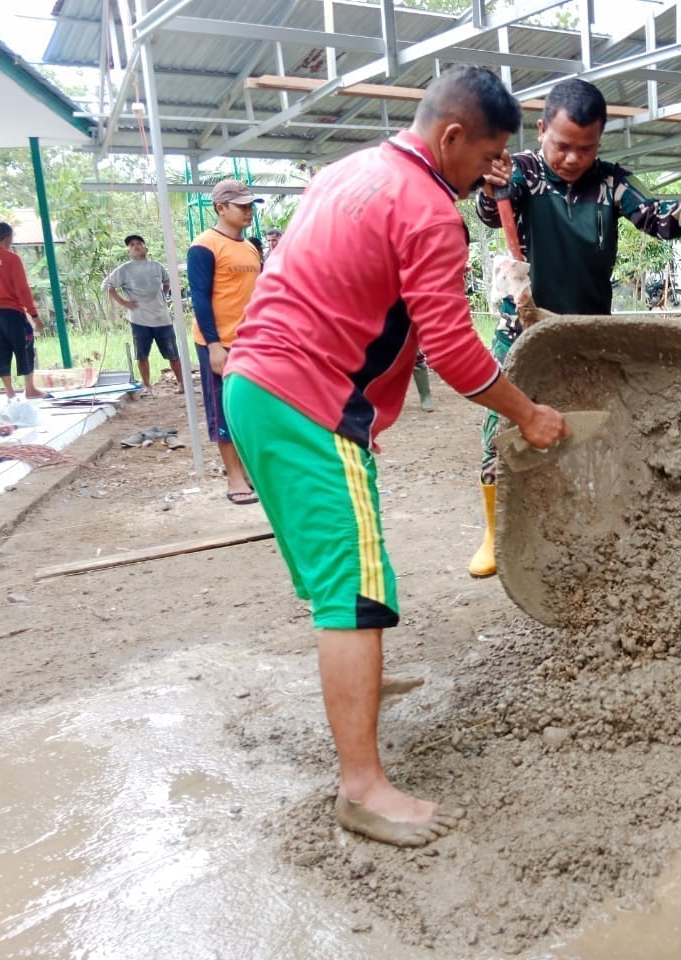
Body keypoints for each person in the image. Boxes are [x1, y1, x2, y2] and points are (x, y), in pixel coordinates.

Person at [223, 65, 568, 847]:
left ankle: (361, 688)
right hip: (306, 400)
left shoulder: (350, 171)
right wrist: (528, 414)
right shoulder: (428, 210)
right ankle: (363, 789)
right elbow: (450, 347)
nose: (492, 172)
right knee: (354, 592)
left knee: (341, 576)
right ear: (452, 136)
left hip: (256, 388)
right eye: (488, 155)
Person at [469, 76, 681, 577]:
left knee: (594, 428)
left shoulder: (610, 183)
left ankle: (587, 519)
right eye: (562, 146)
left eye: (587, 148)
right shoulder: (523, 174)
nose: (573, 158)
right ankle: (496, 532)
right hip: (525, 326)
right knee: (503, 429)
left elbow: (656, 216)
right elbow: (492, 212)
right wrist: (493, 185)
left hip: (586, 330)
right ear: (541, 130)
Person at [187, 179, 263, 505]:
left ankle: (248, 469)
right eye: (242, 206)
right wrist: (214, 346)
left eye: (250, 206)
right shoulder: (204, 246)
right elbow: (200, 299)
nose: (249, 211)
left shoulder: (250, 247)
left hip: (251, 342)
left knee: (249, 408)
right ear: (220, 208)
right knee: (222, 410)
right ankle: (234, 476)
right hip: (219, 343)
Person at [102, 234, 184, 396]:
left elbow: (167, 282)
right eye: (132, 245)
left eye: (139, 243)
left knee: (173, 354)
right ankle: (147, 386)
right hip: (139, 319)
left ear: (145, 248)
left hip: (162, 318)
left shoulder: (156, 266)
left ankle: (181, 383)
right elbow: (106, 285)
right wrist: (123, 302)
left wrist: (162, 296)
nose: (136, 246)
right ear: (128, 252)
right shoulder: (124, 270)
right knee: (142, 355)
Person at [0, 222, 43, 399]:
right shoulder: (12, 258)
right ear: (8, 238)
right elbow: (22, 289)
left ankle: (10, 392)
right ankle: (30, 389)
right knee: (25, 347)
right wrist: (34, 316)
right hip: (12, 312)